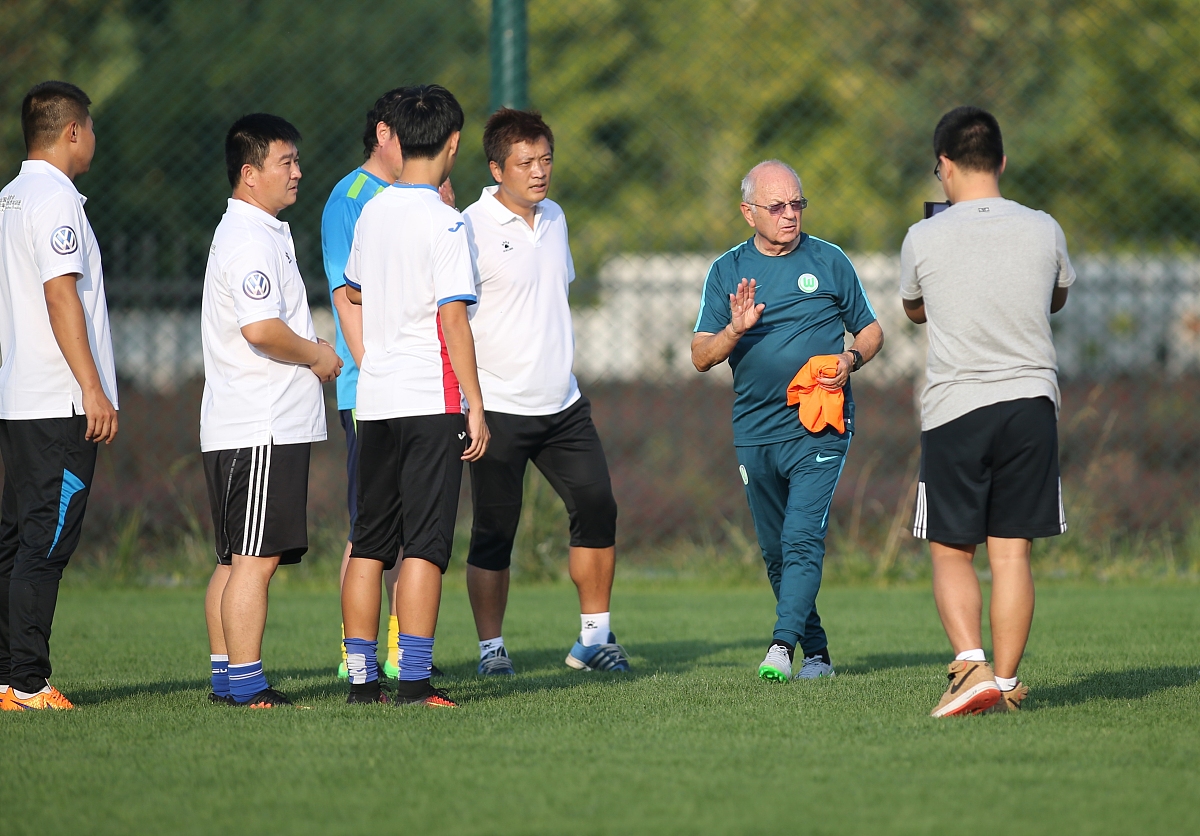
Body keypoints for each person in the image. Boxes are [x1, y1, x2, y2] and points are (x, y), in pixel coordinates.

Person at [901, 106, 1073, 717]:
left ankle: (969, 665)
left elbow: (915, 309)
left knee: (952, 550)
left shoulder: (923, 236)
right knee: (1012, 553)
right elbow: (1056, 297)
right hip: (1031, 405)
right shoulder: (1044, 228)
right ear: (1001, 161)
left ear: (943, 165)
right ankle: (1004, 683)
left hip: (957, 408)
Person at [691, 160, 883, 684]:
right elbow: (701, 356)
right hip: (755, 429)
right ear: (748, 212)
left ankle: (780, 647)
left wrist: (850, 360)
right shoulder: (727, 271)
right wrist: (735, 329)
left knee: (801, 537)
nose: (790, 214)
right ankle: (817, 655)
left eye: (797, 203)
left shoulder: (829, 260)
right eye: (776, 206)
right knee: (776, 551)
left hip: (819, 424)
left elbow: (871, 331)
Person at [462, 109, 627, 676]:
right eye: (525, 162)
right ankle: (491, 651)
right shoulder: (467, 228)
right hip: (497, 408)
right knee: (494, 531)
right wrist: (471, 403)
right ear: (496, 169)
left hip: (563, 405)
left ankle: (594, 640)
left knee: (597, 506)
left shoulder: (555, 217)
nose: (539, 172)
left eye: (546, 160)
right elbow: (451, 320)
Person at [341, 84, 488, 707]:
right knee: (425, 544)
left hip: (374, 399)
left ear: (397, 139)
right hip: (431, 398)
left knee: (370, 542)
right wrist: (475, 404)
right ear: (453, 144)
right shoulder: (446, 221)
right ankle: (415, 681)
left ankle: (360, 680)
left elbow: (352, 290)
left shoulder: (372, 211)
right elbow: (453, 317)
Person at [201, 113, 340, 708]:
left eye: (296, 160)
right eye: (286, 162)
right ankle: (247, 684)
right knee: (255, 562)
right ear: (250, 173)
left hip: (246, 422)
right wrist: (317, 355)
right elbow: (260, 328)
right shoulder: (249, 238)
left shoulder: (259, 230)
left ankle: (225, 679)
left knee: (236, 561)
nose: (297, 172)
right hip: (260, 423)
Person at [322, 88, 453, 683]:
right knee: (386, 535)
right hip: (385, 390)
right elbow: (346, 296)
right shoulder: (355, 200)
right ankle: (375, 663)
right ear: (384, 134)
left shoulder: (404, 203)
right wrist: (371, 366)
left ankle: (386, 661)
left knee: (393, 534)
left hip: (397, 390)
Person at [0, 81, 118, 711]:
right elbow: (59, 294)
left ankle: (6, 679)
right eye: (91, 127)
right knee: (44, 544)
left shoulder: (10, 198)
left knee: (15, 539)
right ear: (73, 131)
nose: (94, 138)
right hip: (58, 402)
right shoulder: (55, 201)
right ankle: (28, 683)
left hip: (20, 397)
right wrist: (92, 389)